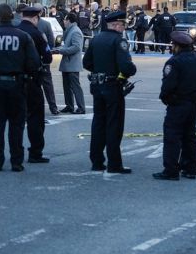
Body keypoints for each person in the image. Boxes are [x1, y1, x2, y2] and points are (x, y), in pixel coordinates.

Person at [0, 4, 41, 172]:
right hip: (17, 84)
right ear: (13, 16)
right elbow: (34, 63)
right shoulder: (23, 36)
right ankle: (16, 161)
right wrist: (25, 75)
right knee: (16, 124)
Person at [153, 32, 196, 181]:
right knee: (189, 135)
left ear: (176, 46)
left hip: (179, 102)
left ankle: (171, 170)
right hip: (195, 101)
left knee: (172, 136)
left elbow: (168, 86)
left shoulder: (174, 62)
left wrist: (166, 98)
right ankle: (190, 168)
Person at [83, 10, 137, 173]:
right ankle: (114, 163)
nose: (123, 28)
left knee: (98, 123)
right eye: (122, 25)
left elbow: (87, 63)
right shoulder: (118, 41)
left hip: (97, 86)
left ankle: (97, 161)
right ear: (115, 25)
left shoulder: (96, 39)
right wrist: (129, 70)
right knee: (114, 124)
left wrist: (100, 71)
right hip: (113, 86)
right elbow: (126, 67)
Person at [16, 4, 53, 163]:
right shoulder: (37, 34)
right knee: (35, 118)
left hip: (14, 80)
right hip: (32, 80)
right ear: (35, 17)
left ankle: (15, 153)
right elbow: (48, 57)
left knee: (15, 119)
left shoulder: (15, 31)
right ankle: (35, 152)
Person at [55, 13, 86, 114]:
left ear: (69, 20)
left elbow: (76, 47)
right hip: (68, 63)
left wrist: (61, 51)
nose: (63, 22)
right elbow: (67, 46)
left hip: (72, 64)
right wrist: (59, 49)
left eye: (65, 20)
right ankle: (69, 106)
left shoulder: (75, 31)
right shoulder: (70, 31)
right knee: (67, 87)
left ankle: (81, 107)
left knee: (75, 87)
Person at [36, 8, 59, 115]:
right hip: (43, 58)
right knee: (48, 85)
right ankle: (53, 107)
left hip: (32, 59)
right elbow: (51, 41)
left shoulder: (25, 24)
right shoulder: (46, 24)